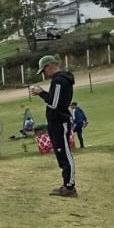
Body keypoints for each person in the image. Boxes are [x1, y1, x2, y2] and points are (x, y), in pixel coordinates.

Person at [28, 55, 77, 197]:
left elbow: (54, 104)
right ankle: (66, 184)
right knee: (61, 154)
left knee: (65, 155)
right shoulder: (60, 80)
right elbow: (56, 100)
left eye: (44, 70)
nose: (44, 74)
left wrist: (41, 93)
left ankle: (70, 186)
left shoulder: (59, 81)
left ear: (50, 66)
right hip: (56, 122)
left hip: (60, 122)